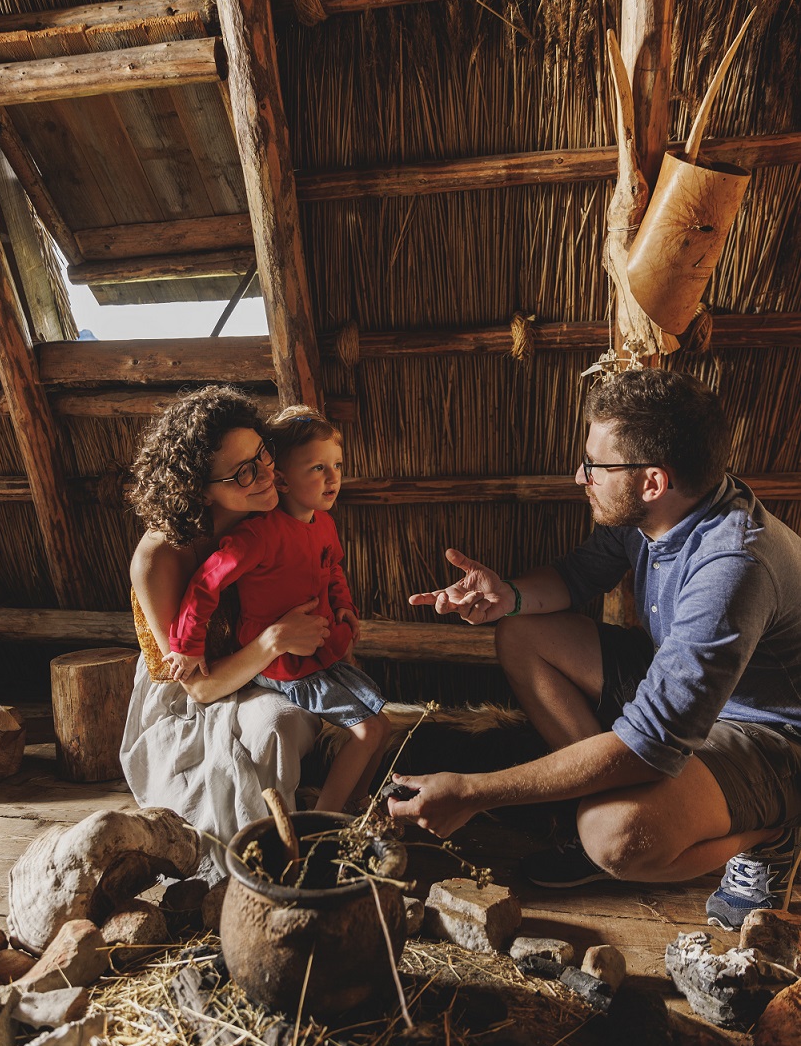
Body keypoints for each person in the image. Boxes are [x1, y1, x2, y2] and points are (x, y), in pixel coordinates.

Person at [389, 368, 801, 930]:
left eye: (594, 465)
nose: (578, 475)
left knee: (614, 838)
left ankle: (774, 834)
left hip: (773, 735)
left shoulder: (732, 566)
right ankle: (598, 795)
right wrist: (507, 595)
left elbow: (648, 743)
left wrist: (473, 792)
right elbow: (576, 577)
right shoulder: (656, 511)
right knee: (523, 633)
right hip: (685, 691)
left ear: (652, 481)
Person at [119, 386, 324, 883]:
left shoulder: (274, 511)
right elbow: (200, 686)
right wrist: (275, 639)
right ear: (198, 488)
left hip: (266, 669)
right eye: (244, 473)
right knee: (268, 729)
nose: (268, 473)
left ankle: (309, 843)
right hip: (191, 698)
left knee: (279, 723)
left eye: (264, 454)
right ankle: (264, 870)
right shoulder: (159, 558)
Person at [162, 405, 392, 814]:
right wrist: (189, 646)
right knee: (368, 729)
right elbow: (205, 585)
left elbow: (332, 567)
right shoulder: (258, 536)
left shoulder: (321, 523)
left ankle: (357, 801)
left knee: (383, 726)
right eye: (318, 468)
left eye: (337, 464)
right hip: (285, 665)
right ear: (283, 481)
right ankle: (325, 821)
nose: (333, 477)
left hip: (318, 648)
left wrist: (345, 606)